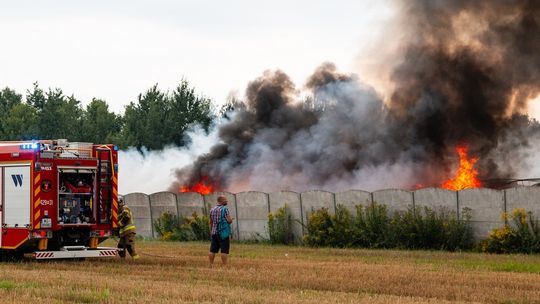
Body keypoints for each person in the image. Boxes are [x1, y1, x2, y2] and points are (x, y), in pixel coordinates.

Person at [208, 195, 233, 265]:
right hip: (223, 233)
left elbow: (210, 222)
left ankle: (211, 264)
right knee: (224, 250)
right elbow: (229, 221)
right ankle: (225, 265)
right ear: (221, 201)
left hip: (214, 233)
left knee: (212, 250)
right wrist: (231, 220)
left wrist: (211, 232)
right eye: (225, 200)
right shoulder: (225, 209)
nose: (227, 201)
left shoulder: (212, 209)